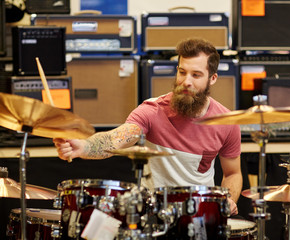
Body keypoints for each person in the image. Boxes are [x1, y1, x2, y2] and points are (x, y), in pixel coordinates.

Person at [53, 38, 242, 215]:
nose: (186, 82)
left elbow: (232, 173)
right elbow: (115, 139)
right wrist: (83, 147)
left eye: (196, 75)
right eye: (182, 72)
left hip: (201, 215)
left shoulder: (227, 122)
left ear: (213, 78)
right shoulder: (152, 110)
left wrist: (230, 200)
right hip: (155, 214)